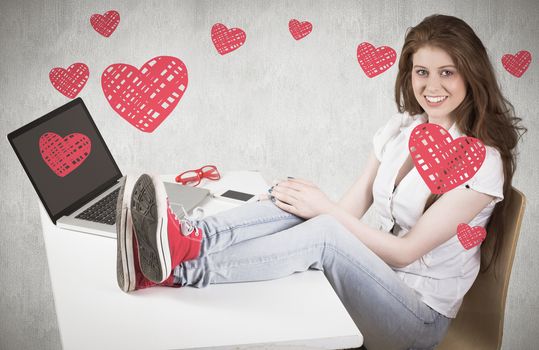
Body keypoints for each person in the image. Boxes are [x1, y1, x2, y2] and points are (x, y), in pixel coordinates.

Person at [115, 14, 525, 350]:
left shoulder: (482, 162)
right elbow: (349, 211)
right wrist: (297, 201)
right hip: (376, 279)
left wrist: (324, 209)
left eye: (446, 73)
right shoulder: (403, 129)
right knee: (295, 198)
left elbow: (403, 252)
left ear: (471, 75)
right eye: (422, 72)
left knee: (325, 229)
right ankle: (187, 240)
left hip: (417, 319)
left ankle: (177, 272)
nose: (431, 87)